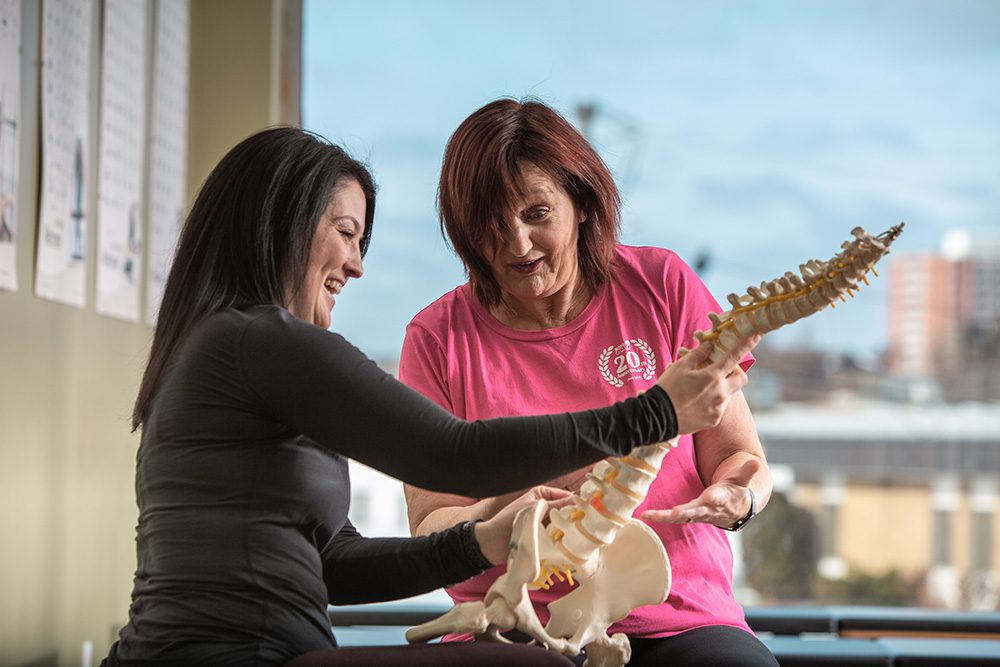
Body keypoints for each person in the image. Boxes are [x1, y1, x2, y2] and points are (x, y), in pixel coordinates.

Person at [101, 126, 759, 667]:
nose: (357, 264)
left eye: (361, 240)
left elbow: (334, 565)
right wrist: (655, 412)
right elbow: (454, 455)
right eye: (346, 232)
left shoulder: (234, 350)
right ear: (281, 220)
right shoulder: (259, 341)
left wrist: (483, 540)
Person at [400, 99, 779, 667]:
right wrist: (502, 514)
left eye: (536, 214)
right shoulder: (435, 339)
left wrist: (739, 496)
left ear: (581, 202)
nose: (517, 246)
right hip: (514, 624)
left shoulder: (664, 286)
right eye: (491, 225)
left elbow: (740, 456)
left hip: (681, 618)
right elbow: (431, 525)